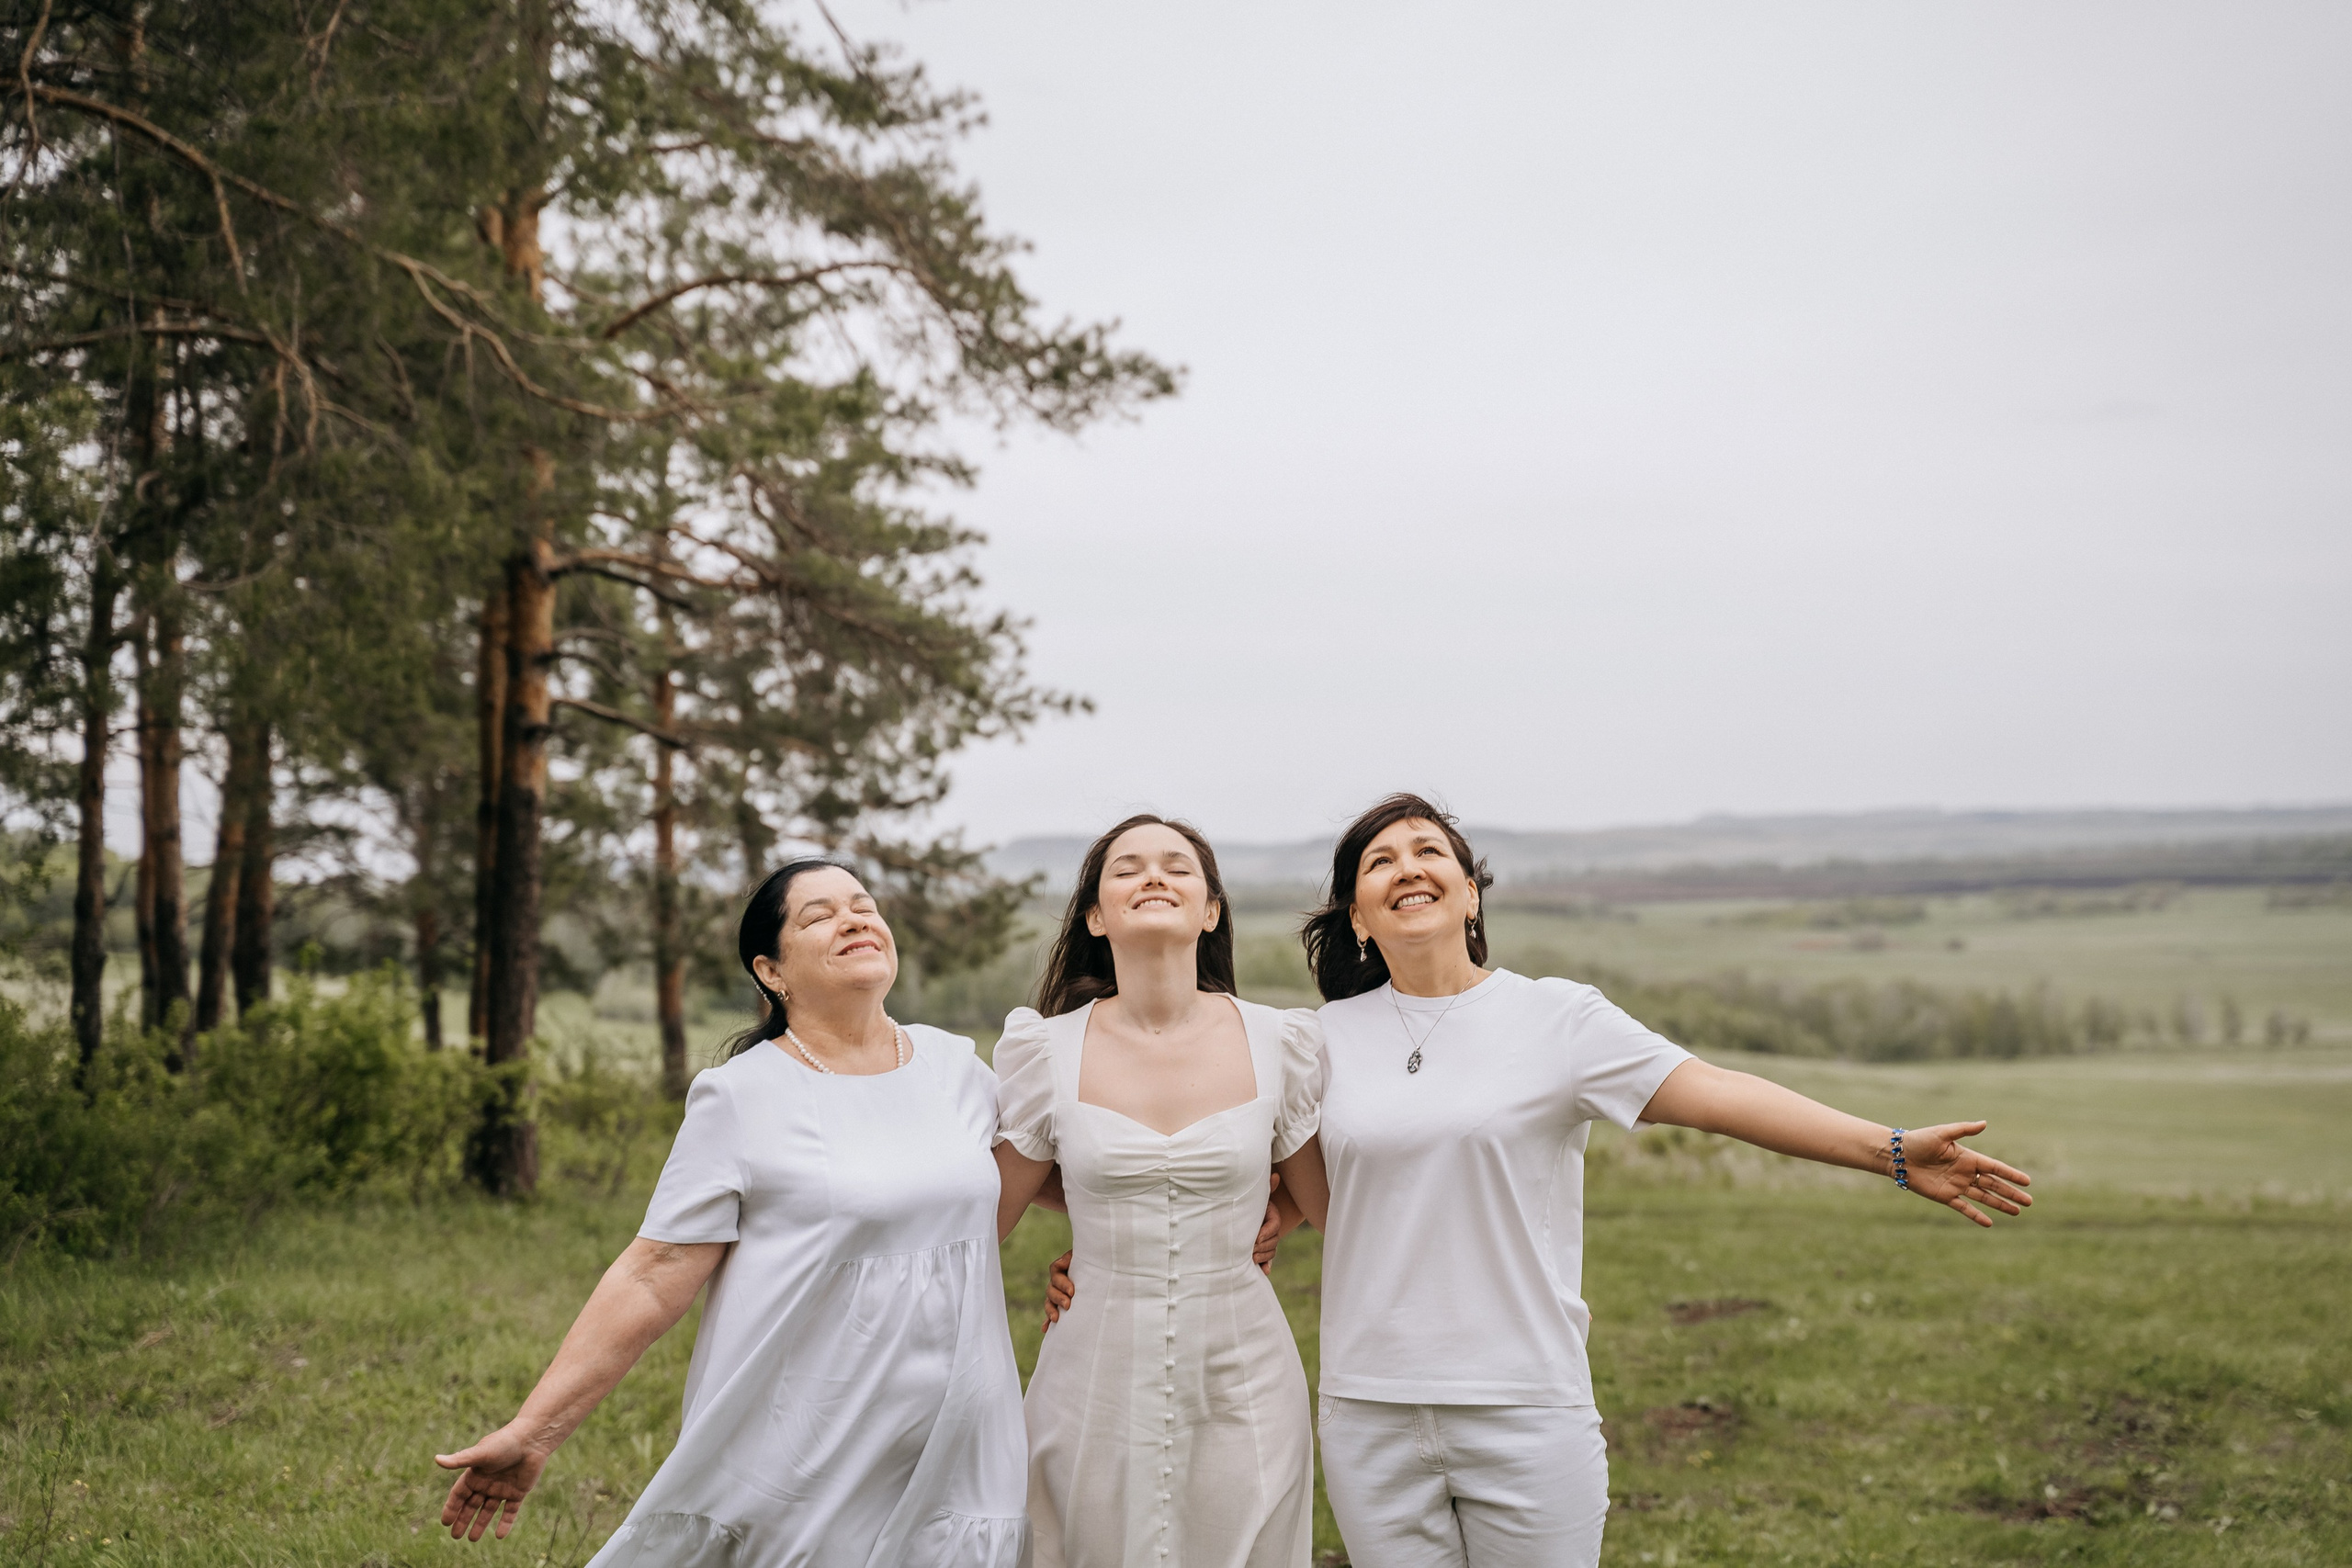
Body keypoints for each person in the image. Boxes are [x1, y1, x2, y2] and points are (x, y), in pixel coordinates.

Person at [1050, 792, 2033, 1568]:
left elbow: (1717, 1092)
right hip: (1368, 1411)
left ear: (1471, 893)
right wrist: (1101, 1265)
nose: (1408, 869)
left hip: (1526, 1406)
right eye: (1379, 862)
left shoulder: (1560, 1021)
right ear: (1355, 911)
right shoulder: (1311, 1043)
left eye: (1429, 852)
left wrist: (1887, 1150)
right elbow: (1213, 1177)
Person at [433, 860, 1029, 1567]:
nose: (855, 919)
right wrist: (537, 1428)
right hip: (814, 1442)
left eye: (864, 905)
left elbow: (1048, 1174)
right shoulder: (741, 1095)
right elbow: (654, 1274)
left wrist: (1090, 1255)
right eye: (818, 915)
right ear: (771, 971)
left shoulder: (954, 1064)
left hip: (961, 1433)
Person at [991, 815, 1329, 1568]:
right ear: (1095, 914)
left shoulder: (1281, 1042)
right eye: (1128, 867)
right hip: (1091, 1376)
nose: (1153, 876)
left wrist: (1267, 1215)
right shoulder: (1044, 1052)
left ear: (1210, 910)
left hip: (1244, 1377)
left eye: (1178, 866)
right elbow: (981, 1219)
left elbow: (1333, 1204)